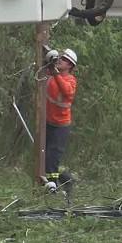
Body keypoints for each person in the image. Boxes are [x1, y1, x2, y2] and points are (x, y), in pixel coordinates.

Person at [44, 49, 78, 193]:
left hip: (61, 125)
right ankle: (56, 179)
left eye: (64, 60)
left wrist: (55, 73)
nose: (60, 60)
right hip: (48, 121)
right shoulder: (51, 75)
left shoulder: (70, 80)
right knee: (44, 154)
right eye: (60, 58)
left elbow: (66, 90)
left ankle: (53, 184)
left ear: (70, 65)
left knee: (54, 154)